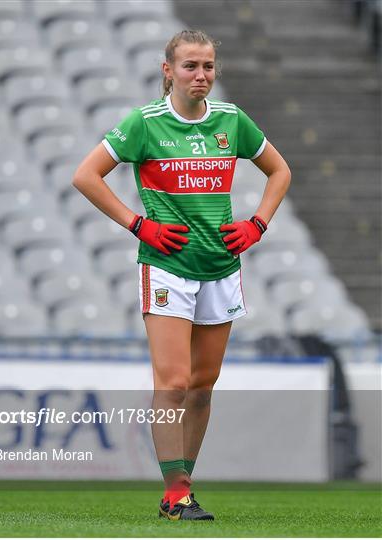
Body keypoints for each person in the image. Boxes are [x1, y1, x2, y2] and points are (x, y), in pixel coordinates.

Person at [72, 30, 291, 521]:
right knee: (172, 381)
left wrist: (256, 225)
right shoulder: (145, 123)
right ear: (167, 69)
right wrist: (138, 224)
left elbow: (280, 171)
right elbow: (86, 175)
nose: (201, 76)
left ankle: (181, 490)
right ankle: (177, 491)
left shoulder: (231, 121)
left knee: (203, 385)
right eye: (191, 66)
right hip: (168, 267)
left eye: (208, 66)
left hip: (220, 267)